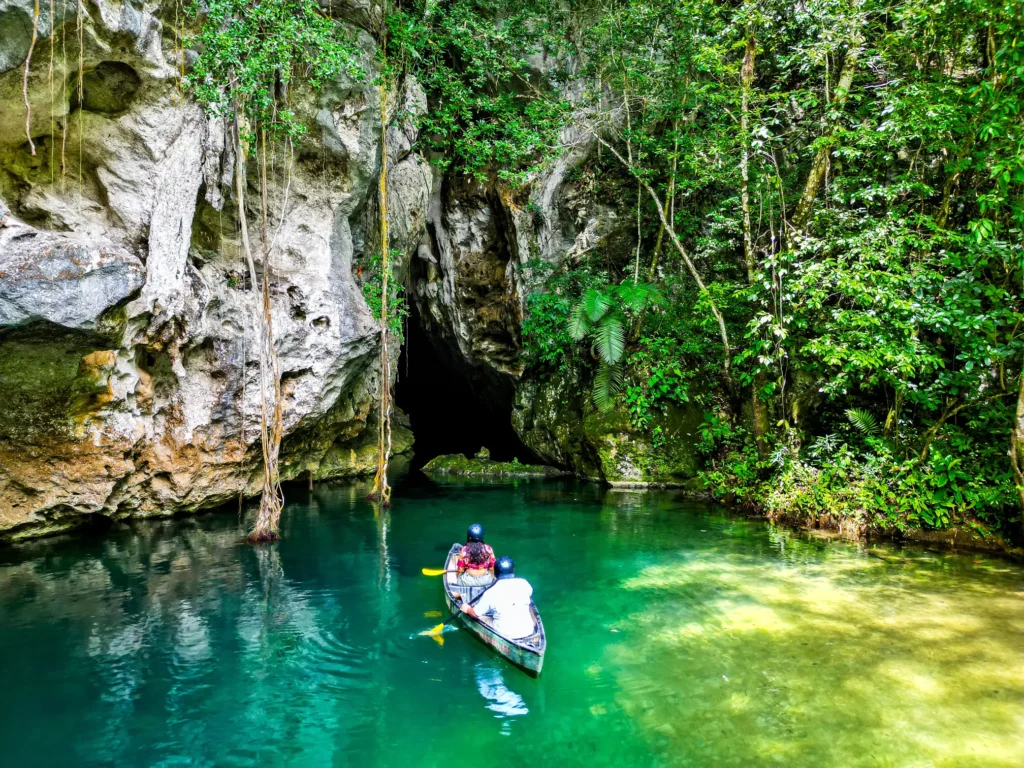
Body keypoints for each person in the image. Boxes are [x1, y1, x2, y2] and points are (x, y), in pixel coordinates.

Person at [460, 555, 536, 640]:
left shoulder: (490, 592)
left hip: (505, 634)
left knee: (479, 616)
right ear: (513, 570)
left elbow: (475, 614)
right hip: (529, 631)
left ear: (495, 573)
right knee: (529, 606)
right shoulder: (524, 583)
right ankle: (534, 624)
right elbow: (529, 594)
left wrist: (467, 609)